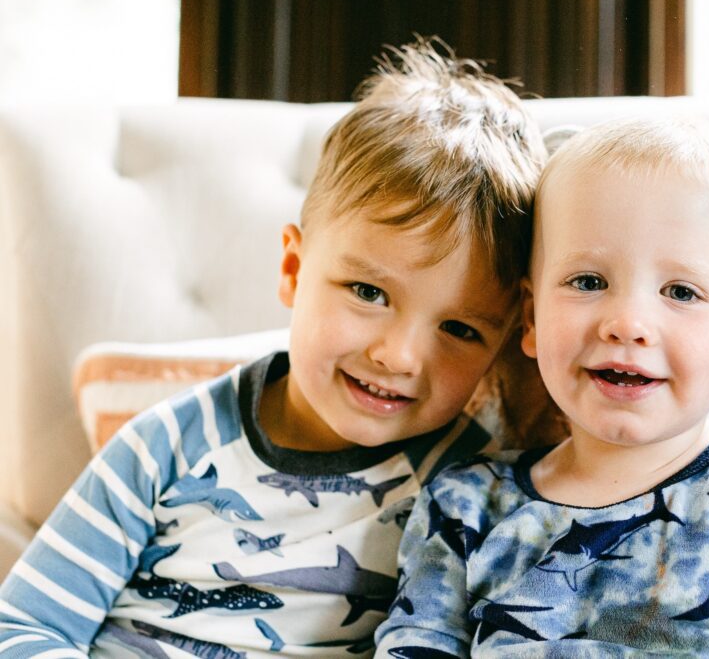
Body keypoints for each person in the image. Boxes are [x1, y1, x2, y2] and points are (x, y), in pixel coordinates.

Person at [0, 38, 545, 657]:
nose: (399, 357)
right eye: (368, 291)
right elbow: (25, 627)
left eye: (460, 330)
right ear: (293, 268)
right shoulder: (167, 447)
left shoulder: (468, 486)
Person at [374, 117, 709, 657]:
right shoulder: (464, 505)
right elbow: (414, 644)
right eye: (588, 282)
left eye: (681, 291)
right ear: (530, 318)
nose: (627, 322)